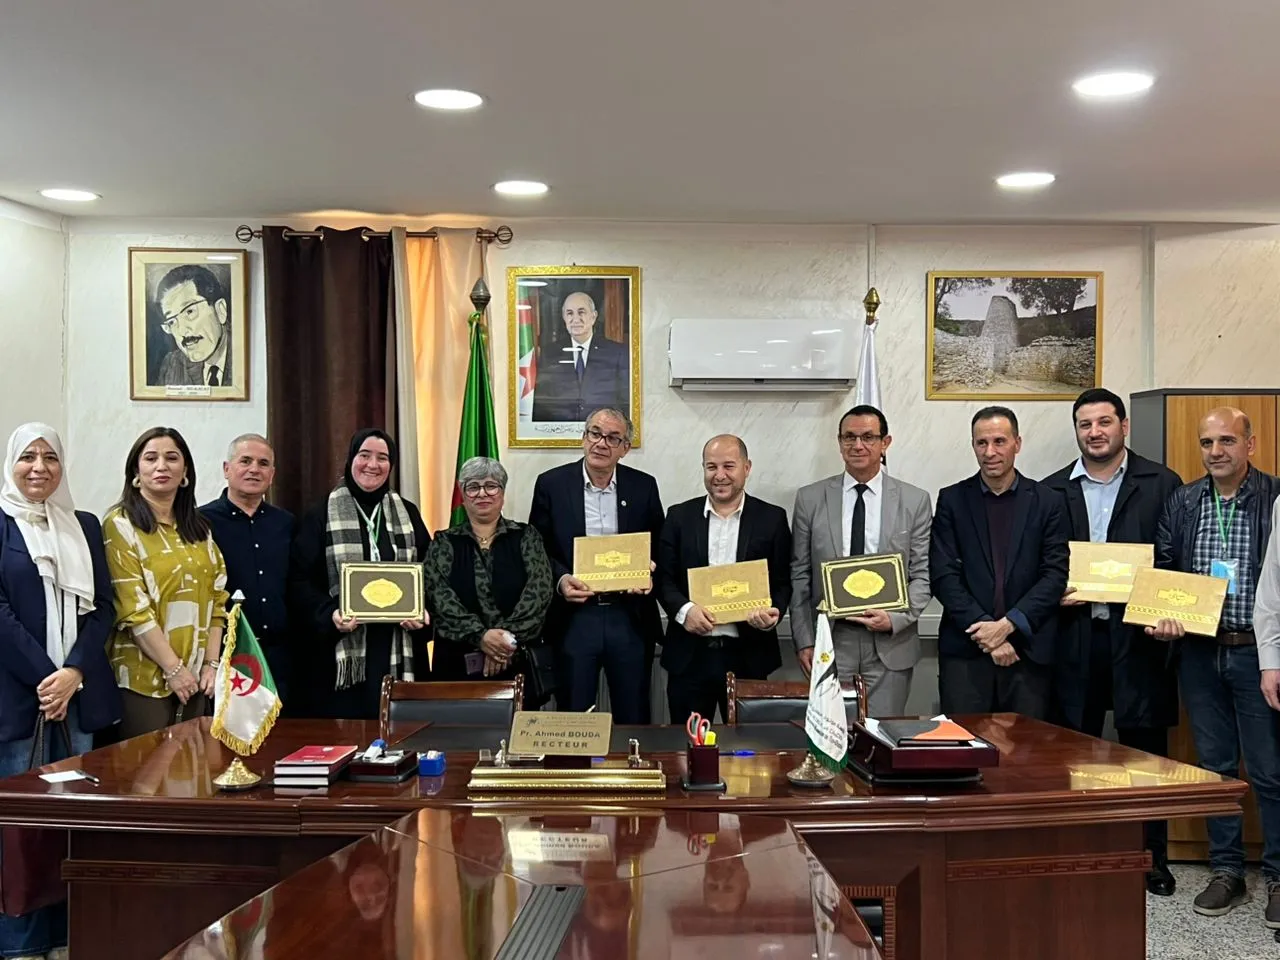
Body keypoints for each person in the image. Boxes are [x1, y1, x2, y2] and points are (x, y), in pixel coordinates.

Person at [1041, 387, 1182, 896]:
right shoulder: (1051, 489)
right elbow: (1041, 563)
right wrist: (1051, 594)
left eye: (1104, 422)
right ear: (1076, 431)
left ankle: (1151, 857)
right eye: (1085, 424)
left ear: (1124, 426)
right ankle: (1073, 851)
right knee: (1070, 750)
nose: (1095, 432)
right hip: (1074, 638)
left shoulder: (1163, 483)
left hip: (1139, 639)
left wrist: (1170, 609)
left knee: (1145, 755)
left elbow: (1174, 558)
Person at [1153, 406, 1280, 925]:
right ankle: (1226, 871)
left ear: (1251, 444)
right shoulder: (1184, 501)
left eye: (1227, 440)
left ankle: (1277, 876)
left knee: (1269, 771)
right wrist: (1161, 615)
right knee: (1215, 770)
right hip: (1201, 653)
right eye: (1207, 443)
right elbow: (1164, 567)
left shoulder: (1274, 498)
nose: (1216, 451)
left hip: (1258, 653)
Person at [0, 424, 121, 960]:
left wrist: (73, 672)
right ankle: (20, 944)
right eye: (27, 456)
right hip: (18, 700)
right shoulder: (1, 522)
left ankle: (68, 936)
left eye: (50, 457)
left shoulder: (84, 525)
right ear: (11, 464)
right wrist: (47, 677)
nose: (39, 467)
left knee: (72, 821)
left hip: (77, 698)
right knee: (20, 828)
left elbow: (104, 608)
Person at [790, 405, 933, 717]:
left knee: (881, 736)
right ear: (839, 442)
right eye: (849, 437)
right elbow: (800, 575)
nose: (858, 445)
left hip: (890, 643)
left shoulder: (914, 500)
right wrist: (804, 641)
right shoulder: (810, 499)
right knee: (831, 737)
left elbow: (922, 575)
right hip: (831, 640)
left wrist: (895, 618)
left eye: (868, 437)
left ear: (885, 443)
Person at [930, 406, 1068, 719]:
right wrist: (988, 635)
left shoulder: (1048, 501)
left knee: (1026, 747)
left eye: (999, 441)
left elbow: (1054, 576)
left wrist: (1007, 626)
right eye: (981, 443)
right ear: (973, 445)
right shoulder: (952, 499)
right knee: (963, 744)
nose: (990, 452)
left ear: (1017, 443)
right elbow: (943, 576)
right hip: (966, 653)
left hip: (1027, 652)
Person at [528, 407, 663, 722]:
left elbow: (658, 544)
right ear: (584, 437)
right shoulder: (552, 484)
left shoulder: (643, 486)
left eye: (613, 438)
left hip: (628, 615)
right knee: (574, 716)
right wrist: (561, 580)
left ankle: (633, 757)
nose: (602, 443)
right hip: (575, 616)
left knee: (633, 714)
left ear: (625, 448)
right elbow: (537, 548)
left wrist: (648, 570)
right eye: (595, 434)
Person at [289, 429, 430, 719]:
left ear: (391, 465)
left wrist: (424, 611)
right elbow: (299, 580)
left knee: (400, 733)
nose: (372, 465)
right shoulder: (321, 514)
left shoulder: (408, 513)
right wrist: (329, 614)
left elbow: (431, 573)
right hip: (342, 656)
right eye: (364, 455)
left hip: (398, 646)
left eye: (382, 458)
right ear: (351, 459)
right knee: (348, 736)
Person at [103, 427, 229, 739]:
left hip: (197, 677)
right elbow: (133, 610)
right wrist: (174, 670)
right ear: (136, 471)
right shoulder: (120, 524)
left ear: (185, 472)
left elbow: (217, 602)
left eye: (172, 458)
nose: (162, 466)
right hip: (143, 679)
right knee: (147, 768)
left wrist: (211, 664)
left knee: (193, 765)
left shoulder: (199, 529)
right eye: (151, 458)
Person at [657, 435, 792, 723]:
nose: (719, 475)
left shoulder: (772, 518)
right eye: (711, 467)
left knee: (750, 746)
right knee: (689, 742)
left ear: (747, 467)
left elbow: (783, 582)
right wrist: (685, 611)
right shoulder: (679, 516)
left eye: (729, 466)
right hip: (690, 658)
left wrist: (773, 613)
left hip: (749, 656)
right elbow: (664, 578)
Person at [424, 457, 553, 691]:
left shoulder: (527, 537)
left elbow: (539, 595)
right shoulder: (444, 542)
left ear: (502, 493)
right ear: (462, 495)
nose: (482, 493)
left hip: (516, 661)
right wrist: (482, 637)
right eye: (473, 487)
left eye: (491, 486)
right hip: (455, 666)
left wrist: (502, 644)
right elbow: (439, 598)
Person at [199, 434, 295, 709]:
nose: (254, 469)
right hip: (225, 657)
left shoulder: (286, 523)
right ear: (226, 469)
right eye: (245, 461)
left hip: (280, 659)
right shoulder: (200, 522)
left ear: (272, 475)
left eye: (263, 463)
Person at [531, 292, 630, 423]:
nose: (576, 319)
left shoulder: (616, 353)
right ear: (564, 317)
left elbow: (625, 400)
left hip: (603, 430)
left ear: (593, 316)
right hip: (561, 430)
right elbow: (543, 402)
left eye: (581, 312)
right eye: (570, 313)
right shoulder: (550, 354)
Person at [153, 264, 234, 387]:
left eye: (190, 311)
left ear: (220, 310)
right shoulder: (173, 365)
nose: (182, 331)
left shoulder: (247, 355)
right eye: (172, 321)